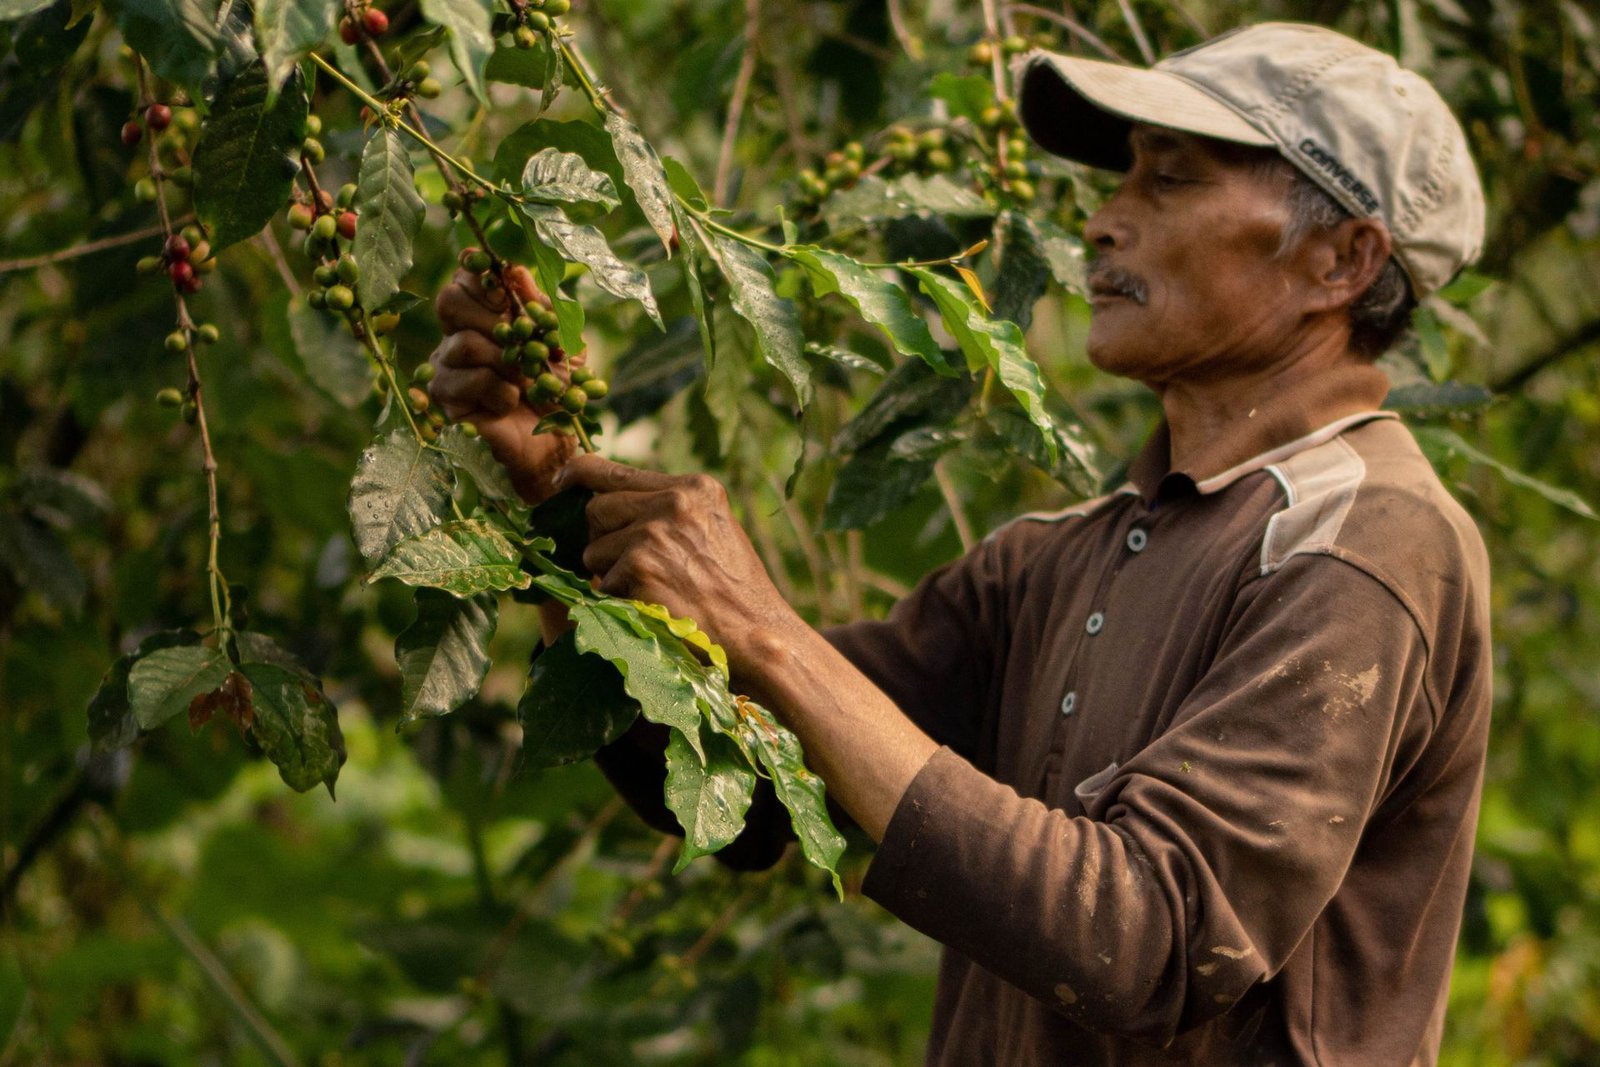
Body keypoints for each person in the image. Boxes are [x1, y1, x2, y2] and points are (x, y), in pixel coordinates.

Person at [428, 22, 1492, 1066]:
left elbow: (1146, 939)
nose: (1104, 222)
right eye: (1122, 179)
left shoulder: (1366, 547)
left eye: (1168, 181)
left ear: (1341, 261)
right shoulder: (1056, 562)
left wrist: (761, 626)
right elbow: (740, 788)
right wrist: (559, 491)